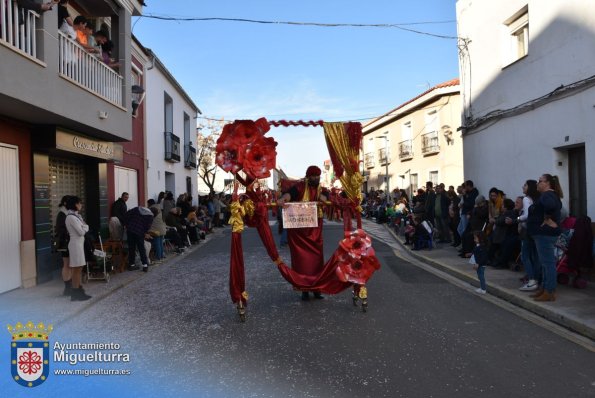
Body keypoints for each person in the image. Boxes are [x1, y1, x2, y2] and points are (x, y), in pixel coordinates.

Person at [277, 165, 329, 301]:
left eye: (318, 176)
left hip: (315, 231)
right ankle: (304, 290)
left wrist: (324, 197)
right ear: (308, 177)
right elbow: (289, 194)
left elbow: (326, 196)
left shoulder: (321, 189)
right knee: (302, 261)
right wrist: (283, 199)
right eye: (314, 176)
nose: (317, 179)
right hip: (300, 231)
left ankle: (317, 289)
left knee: (317, 261)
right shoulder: (299, 187)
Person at [528, 174, 563, 302]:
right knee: (545, 263)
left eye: (540, 181)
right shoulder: (549, 195)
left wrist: (547, 219)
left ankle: (549, 291)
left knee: (548, 264)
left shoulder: (547, 195)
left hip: (545, 234)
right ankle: (545, 288)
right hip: (543, 234)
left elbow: (551, 206)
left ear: (547, 183)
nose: (538, 183)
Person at [64, 196, 91, 301]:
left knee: (79, 268)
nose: (81, 205)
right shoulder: (71, 217)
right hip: (75, 244)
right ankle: (75, 293)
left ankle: (79, 290)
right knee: (76, 269)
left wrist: (84, 227)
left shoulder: (76, 216)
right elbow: (81, 232)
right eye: (80, 203)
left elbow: (82, 228)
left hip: (79, 244)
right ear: (75, 204)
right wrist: (86, 227)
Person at [519, 180, 541, 291]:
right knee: (536, 256)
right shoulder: (538, 198)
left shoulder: (526, 199)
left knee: (525, 256)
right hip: (537, 230)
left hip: (528, 230)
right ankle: (536, 279)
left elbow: (527, 215)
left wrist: (518, 219)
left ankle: (531, 280)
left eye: (525, 185)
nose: (523, 187)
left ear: (530, 187)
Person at [124, 206, 154, 272]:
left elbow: (126, 215)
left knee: (131, 248)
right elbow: (147, 226)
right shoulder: (150, 216)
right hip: (139, 232)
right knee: (141, 248)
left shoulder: (136, 209)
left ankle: (131, 264)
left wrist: (127, 224)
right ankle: (145, 265)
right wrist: (144, 232)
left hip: (130, 230)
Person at [54, 195, 72, 296]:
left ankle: (70, 286)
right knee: (66, 264)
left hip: (70, 242)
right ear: (65, 203)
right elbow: (61, 230)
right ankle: (67, 288)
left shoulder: (68, 213)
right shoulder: (62, 214)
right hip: (66, 242)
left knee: (70, 264)